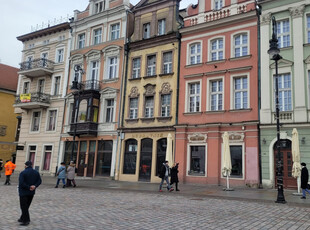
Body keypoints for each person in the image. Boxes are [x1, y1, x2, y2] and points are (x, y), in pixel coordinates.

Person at [18, 161, 42, 226]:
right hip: (31, 192)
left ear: (26, 165)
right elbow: (39, 181)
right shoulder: (36, 172)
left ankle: (26, 220)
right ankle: (22, 217)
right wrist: (35, 186)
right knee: (27, 205)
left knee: (23, 206)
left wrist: (28, 187)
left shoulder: (23, 173)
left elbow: (21, 183)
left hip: (23, 192)